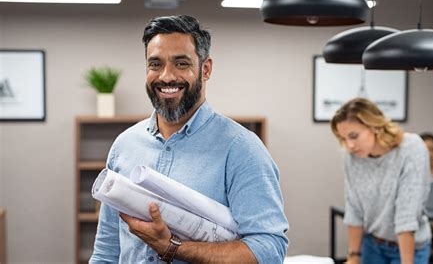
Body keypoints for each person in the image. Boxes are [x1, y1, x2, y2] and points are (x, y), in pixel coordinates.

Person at [89, 15, 289, 264]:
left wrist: (173, 248)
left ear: (205, 69)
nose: (166, 76)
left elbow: (269, 251)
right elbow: (107, 251)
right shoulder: (124, 145)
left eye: (181, 63)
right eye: (155, 64)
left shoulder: (241, 148)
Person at [330, 98, 431, 264]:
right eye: (343, 138)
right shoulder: (352, 157)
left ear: (375, 126)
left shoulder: (411, 149)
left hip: (410, 247)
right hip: (373, 245)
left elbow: (406, 216)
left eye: (354, 136)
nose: (349, 145)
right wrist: (353, 256)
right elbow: (354, 208)